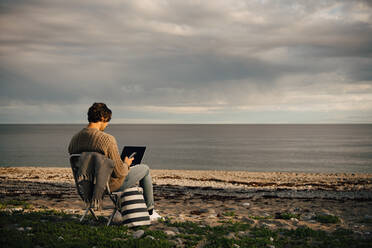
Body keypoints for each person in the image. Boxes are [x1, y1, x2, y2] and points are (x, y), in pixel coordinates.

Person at [68, 102, 162, 222]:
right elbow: (119, 172)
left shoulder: (74, 139)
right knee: (144, 169)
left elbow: (84, 161)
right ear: (103, 118)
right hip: (106, 185)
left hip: (86, 185)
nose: (107, 125)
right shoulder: (107, 139)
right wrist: (126, 163)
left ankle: (120, 210)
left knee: (128, 173)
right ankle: (150, 211)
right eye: (107, 121)